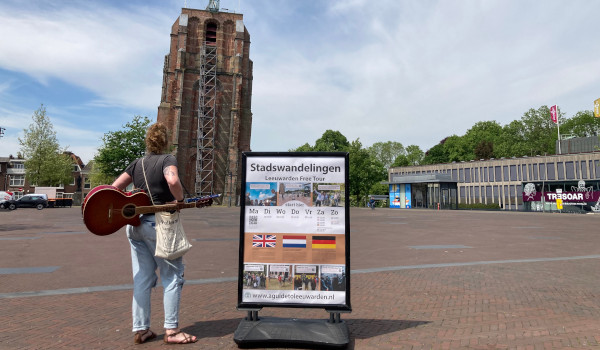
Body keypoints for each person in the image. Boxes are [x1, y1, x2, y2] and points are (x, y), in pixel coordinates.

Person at [111, 123, 198, 345]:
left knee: (142, 277)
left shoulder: (137, 163)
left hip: (134, 226)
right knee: (172, 275)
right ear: (166, 140)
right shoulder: (167, 160)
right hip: (157, 225)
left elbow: (114, 187)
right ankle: (172, 331)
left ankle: (141, 330)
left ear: (148, 141)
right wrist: (178, 201)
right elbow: (173, 180)